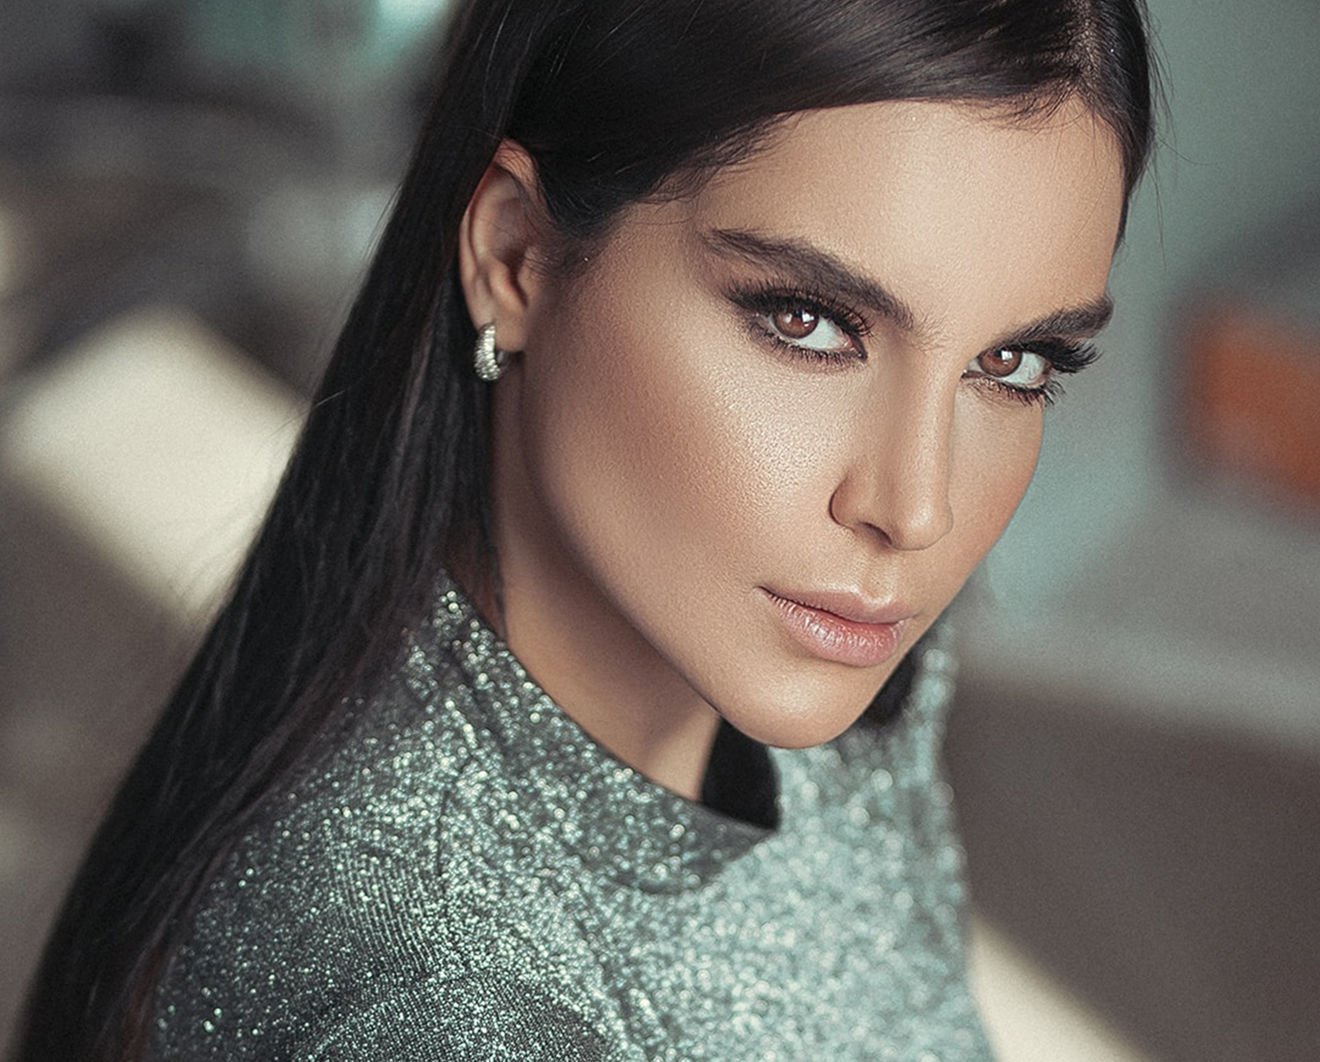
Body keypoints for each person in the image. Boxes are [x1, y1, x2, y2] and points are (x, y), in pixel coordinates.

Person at [15, 0, 1155, 1058]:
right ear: (516, 256)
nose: (915, 508)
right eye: (807, 321)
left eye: (1014, 363)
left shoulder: (838, 656)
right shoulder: (443, 1006)